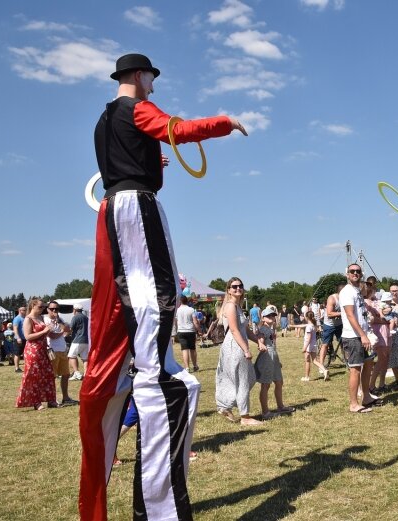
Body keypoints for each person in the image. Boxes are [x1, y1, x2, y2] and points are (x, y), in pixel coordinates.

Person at [81, 53, 245, 521]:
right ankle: (156, 378)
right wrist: (225, 122)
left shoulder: (103, 121)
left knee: (142, 306)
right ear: (139, 76)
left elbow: (129, 160)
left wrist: (151, 164)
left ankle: (152, 374)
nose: (153, 83)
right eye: (150, 77)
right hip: (133, 210)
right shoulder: (135, 109)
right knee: (157, 307)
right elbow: (181, 128)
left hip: (118, 207)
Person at [215, 277, 262, 426]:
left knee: (249, 378)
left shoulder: (238, 306)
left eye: (240, 286)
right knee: (242, 380)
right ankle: (245, 417)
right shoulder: (230, 306)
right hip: (234, 347)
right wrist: (246, 349)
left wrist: (258, 341)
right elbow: (235, 330)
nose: (238, 289)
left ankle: (225, 406)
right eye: (234, 287)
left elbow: (246, 330)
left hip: (238, 345)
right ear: (228, 290)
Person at [340, 263, 378, 413]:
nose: (355, 273)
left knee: (368, 364)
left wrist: (367, 331)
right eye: (352, 271)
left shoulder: (358, 290)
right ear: (347, 274)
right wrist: (362, 335)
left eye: (358, 271)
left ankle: (366, 396)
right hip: (353, 336)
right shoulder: (347, 292)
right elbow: (350, 315)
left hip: (364, 335)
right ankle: (353, 404)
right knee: (355, 369)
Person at [15, 299, 58, 410]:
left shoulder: (41, 318)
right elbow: (28, 336)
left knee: (48, 374)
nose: (42, 308)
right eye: (40, 307)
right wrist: (44, 331)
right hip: (32, 350)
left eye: (43, 307)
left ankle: (51, 400)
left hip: (43, 349)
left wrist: (50, 328)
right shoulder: (28, 319)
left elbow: (46, 334)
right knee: (34, 376)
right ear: (33, 306)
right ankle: (36, 402)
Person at [255, 307, 295, 419]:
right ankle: (265, 412)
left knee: (279, 382)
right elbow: (261, 342)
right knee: (266, 385)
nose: (272, 317)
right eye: (269, 316)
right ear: (263, 318)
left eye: (273, 315)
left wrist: (277, 361)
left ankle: (280, 406)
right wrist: (261, 344)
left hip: (274, 357)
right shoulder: (263, 329)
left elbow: (273, 345)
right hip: (267, 357)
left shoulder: (271, 329)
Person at [45, 301, 78, 406]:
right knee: (52, 376)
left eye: (56, 309)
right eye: (52, 309)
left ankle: (66, 397)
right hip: (52, 350)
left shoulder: (60, 319)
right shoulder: (45, 320)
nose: (54, 311)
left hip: (62, 349)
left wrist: (60, 324)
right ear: (47, 309)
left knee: (66, 374)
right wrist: (61, 332)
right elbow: (52, 336)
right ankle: (52, 399)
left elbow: (68, 330)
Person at [364, 282, 391, 395]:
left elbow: (383, 312)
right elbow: (372, 319)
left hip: (383, 329)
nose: (374, 292)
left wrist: (386, 313)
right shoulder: (365, 303)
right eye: (373, 290)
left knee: (384, 358)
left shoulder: (376, 301)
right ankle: (370, 385)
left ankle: (380, 383)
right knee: (380, 358)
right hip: (375, 331)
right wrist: (383, 320)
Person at [319, 284, 344, 369]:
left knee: (344, 343)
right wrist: (343, 313)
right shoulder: (332, 299)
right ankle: (321, 365)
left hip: (339, 324)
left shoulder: (345, 299)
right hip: (329, 325)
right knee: (325, 345)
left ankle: (348, 361)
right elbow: (329, 314)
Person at [176, 295, 201, 373]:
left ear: (180, 301)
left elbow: (176, 321)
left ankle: (187, 367)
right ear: (187, 301)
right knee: (192, 349)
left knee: (184, 349)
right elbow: (195, 321)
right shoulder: (191, 309)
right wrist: (199, 330)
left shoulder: (177, 310)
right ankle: (195, 366)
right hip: (190, 331)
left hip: (181, 331)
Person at [301, 311, 328, 381]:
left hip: (309, 346)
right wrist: (293, 326)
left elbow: (308, 339)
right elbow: (303, 326)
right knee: (314, 361)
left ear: (307, 317)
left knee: (307, 361)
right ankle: (324, 370)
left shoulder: (308, 327)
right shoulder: (313, 325)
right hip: (314, 345)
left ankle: (306, 377)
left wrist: (305, 347)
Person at [68, 304, 89, 381]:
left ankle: (77, 373)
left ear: (75, 310)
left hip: (77, 340)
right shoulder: (86, 317)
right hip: (86, 340)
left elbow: (70, 328)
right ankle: (86, 374)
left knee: (71, 356)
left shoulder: (75, 317)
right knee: (85, 358)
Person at [12, 306, 26, 373]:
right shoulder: (17, 319)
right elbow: (15, 329)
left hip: (25, 338)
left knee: (25, 353)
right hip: (19, 339)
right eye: (24, 310)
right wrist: (18, 338)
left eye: (25, 310)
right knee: (17, 353)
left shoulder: (25, 318)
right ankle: (17, 368)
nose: (25, 311)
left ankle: (26, 366)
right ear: (20, 311)